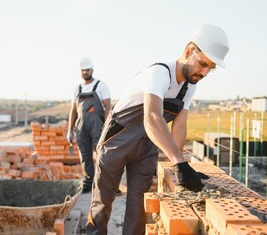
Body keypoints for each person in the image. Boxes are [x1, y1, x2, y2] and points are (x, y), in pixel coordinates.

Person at [86, 24, 230, 234]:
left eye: (211, 68)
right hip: (118, 139)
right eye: (202, 64)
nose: (205, 72)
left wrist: (179, 165)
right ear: (189, 51)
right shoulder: (159, 73)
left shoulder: (190, 86)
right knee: (103, 199)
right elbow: (152, 117)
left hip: (147, 147)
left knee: (138, 205)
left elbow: (179, 125)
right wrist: (180, 162)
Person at [67, 57, 111, 193]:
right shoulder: (77, 89)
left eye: (87, 70)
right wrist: (70, 130)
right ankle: (89, 180)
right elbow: (73, 110)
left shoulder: (101, 85)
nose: (85, 72)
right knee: (84, 154)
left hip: (97, 123)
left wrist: (107, 126)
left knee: (101, 153)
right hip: (81, 125)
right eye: (83, 70)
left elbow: (108, 106)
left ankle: (106, 183)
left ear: (92, 70)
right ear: (80, 72)